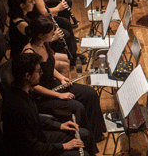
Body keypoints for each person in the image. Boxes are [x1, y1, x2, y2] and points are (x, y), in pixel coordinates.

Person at [2, 52, 107, 156]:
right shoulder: (18, 106)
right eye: (38, 71)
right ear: (27, 76)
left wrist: (60, 126)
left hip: (38, 140)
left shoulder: (22, 91)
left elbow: (37, 120)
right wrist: (64, 147)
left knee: (84, 135)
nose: (41, 74)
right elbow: (32, 149)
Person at [23, 16, 106, 146]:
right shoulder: (29, 53)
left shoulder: (44, 43)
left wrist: (61, 77)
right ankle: (85, 141)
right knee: (78, 106)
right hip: (43, 96)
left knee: (90, 93)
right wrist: (59, 95)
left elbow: (48, 67)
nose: (53, 34)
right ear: (40, 35)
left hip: (53, 85)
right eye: (50, 32)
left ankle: (95, 133)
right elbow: (34, 87)